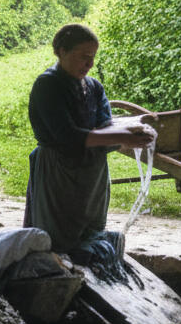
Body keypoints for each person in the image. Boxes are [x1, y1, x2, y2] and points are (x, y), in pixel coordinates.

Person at [24, 23, 155, 256]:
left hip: (92, 172)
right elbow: (67, 136)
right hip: (59, 172)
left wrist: (131, 130)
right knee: (59, 237)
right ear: (61, 51)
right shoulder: (48, 85)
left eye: (93, 57)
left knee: (90, 229)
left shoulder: (93, 87)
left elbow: (105, 123)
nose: (90, 64)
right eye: (84, 56)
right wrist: (122, 137)